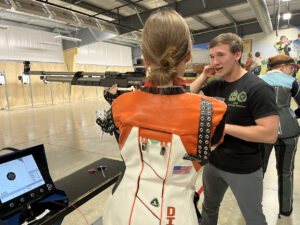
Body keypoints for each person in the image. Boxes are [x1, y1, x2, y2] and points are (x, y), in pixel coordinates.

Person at [97, 10, 227, 225]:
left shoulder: (120, 104)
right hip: (175, 216)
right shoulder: (213, 112)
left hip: (119, 211)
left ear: (145, 57)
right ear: (188, 56)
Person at [190, 33, 279, 225]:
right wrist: (204, 76)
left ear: (237, 55)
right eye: (212, 57)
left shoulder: (258, 88)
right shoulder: (215, 85)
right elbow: (187, 99)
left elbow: (270, 134)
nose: (215, 62)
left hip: (244, 169)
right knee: (209, 208)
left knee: (253, 217)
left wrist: (225, 128)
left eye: (221, 55)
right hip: (213, 164)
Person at [260, 54, 300, 217]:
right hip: (289, 132)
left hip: (261, 131)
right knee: (286, 171)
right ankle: (286, 209)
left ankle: (253, 206)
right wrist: (292, 114)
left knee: (257, 171)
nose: (293, 72)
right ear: (282, 67)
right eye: (292, 68)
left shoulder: (256, 80)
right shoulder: (293, 83)